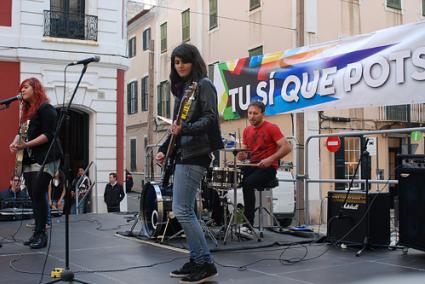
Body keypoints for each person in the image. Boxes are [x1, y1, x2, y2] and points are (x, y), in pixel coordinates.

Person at [155, 43, 223, 284]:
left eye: (184, 60)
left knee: (183, 209)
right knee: (183, 209)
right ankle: (196, 259)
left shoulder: (204, 85)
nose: (180, 65)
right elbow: (176, 127)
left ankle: (205, 263)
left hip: (197, 153)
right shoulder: (184, 90)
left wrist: (186, 129)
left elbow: (211, 118)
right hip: (183, 153)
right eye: (176, 62)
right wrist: (164, 149)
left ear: (194, 62)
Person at [9, 77, 62, 249]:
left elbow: (48, 134)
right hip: (30, 157)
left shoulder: (46, 108)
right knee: (34, 195)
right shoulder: (26, 112)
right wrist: (15, 142)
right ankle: (37, 232)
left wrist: (25, 144)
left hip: (46, 156)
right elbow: (21, 131)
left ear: (35, 88)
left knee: (39, 192)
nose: (22, 90)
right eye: (21, 88)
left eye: (25, 87)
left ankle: (42, 234)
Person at [237, 101, 292, 231]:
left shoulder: (271, 128)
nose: (251, 116)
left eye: (255, 113)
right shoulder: (246, 130)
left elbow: (287, 147)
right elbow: (245, 151)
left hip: (268, 168)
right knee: (231, 178)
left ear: (262, 113)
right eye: (250, 113)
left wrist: (270, 159)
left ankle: (248, 224)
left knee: (247, 184)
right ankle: (219, 218)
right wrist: (242, 155)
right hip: (253, 165)